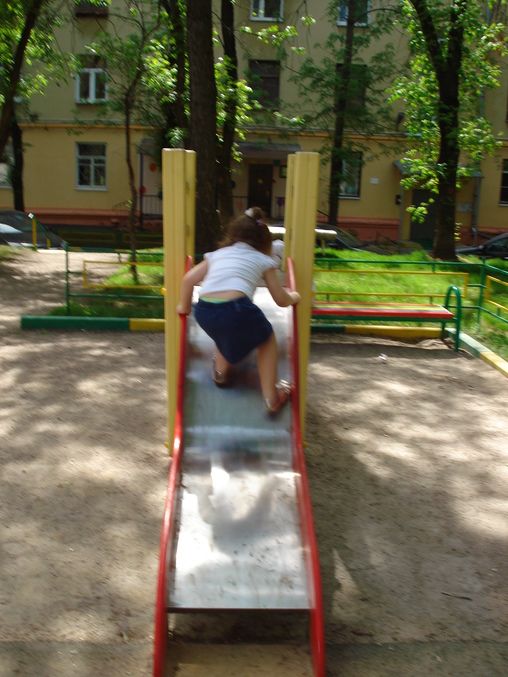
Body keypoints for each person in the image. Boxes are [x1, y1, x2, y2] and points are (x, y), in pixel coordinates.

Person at [176, 207, 301, 415]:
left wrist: (184, 306)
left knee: (223, 333)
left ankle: (220, 372)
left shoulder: (217, 255)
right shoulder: (264, 260)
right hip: (237, 309)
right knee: (266, 338)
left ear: (233, 234)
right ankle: (271, 397)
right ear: (265, 242)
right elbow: (280, 299)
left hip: (205, 311)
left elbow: (188, 279)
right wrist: (294, 297)